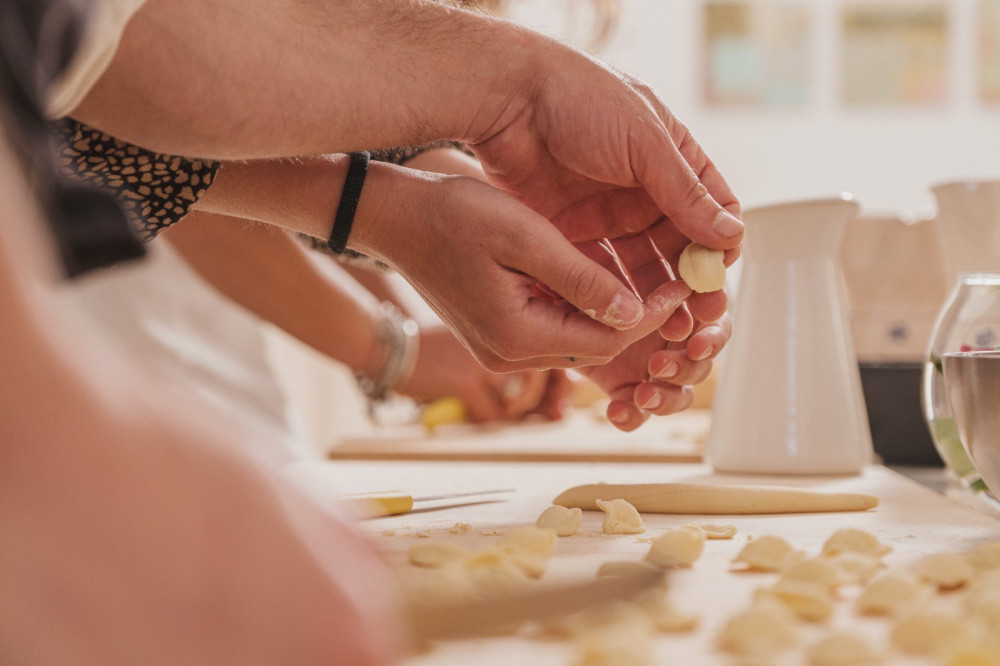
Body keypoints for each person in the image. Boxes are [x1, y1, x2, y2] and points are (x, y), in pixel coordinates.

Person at [53, 0, 742, 433]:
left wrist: (438, 201)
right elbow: (112, 75)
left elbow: (251, 95)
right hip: (93, 385)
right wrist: (395, 346)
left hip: (195, 396)